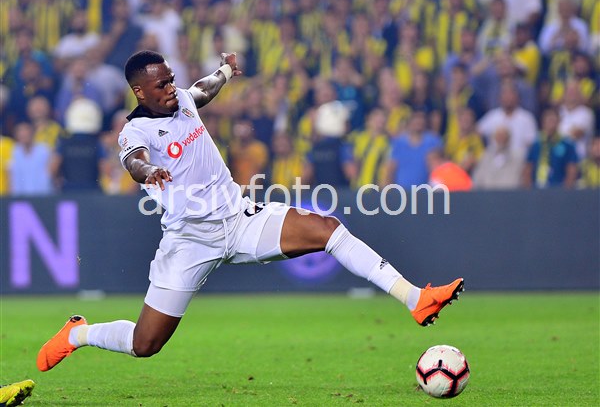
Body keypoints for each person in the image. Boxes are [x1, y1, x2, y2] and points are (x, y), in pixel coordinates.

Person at [37, 50, 463, 373]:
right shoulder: (136, 130)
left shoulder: (182, 99)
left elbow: (202, 90)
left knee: (328, 229)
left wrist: (224, 71)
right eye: (162, 84)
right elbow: (134, 162)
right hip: (189, 241)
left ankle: (415, 298)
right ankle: (79, 333)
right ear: (139, 91)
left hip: (240, 220)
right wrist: (150, 171)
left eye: (171, 80)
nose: (171, 88)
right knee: (145, 344)